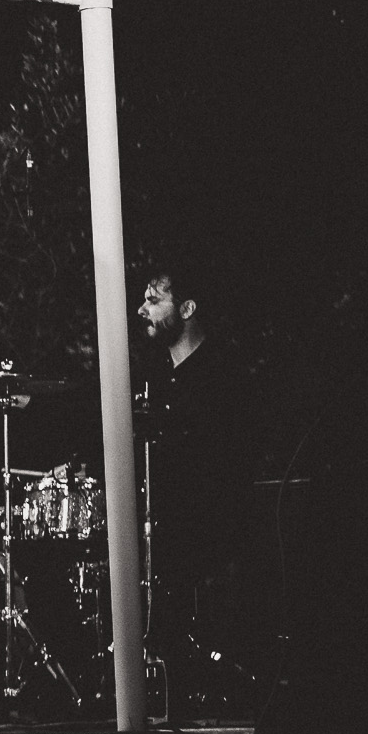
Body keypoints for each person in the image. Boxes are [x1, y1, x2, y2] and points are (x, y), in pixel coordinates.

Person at [135, 266, 254, 694]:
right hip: (162, 523)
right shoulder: (154, 379)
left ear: (186, 308)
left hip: (210, 531)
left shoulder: (222, 376)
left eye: (153, 299)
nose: (141, 309)